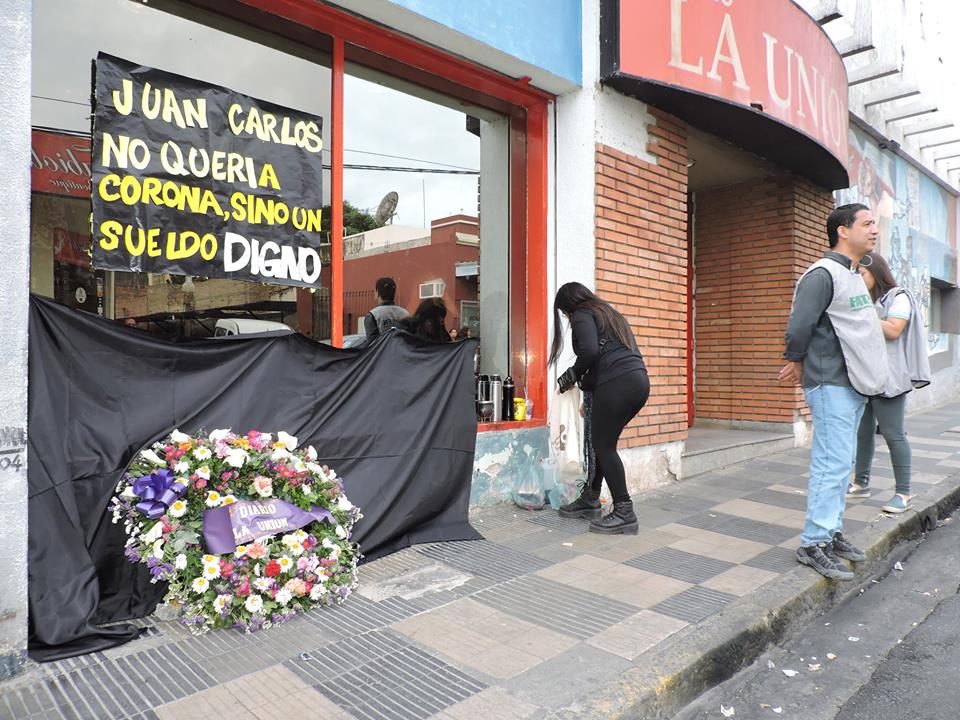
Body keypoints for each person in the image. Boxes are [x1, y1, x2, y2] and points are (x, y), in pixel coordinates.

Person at [780, 203, 888, 581]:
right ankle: (813, 543)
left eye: (875, 223)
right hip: (830, 383)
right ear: (843, 230)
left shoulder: (853, 274)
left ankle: (831, 532)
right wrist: (796, 360)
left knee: (843, 464)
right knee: (832, 463)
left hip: (852, 383)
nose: (874, 230)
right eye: (867, 223)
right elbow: (799, 325)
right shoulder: (822, 274)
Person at [549, 282, 649, 534]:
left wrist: (572, 373)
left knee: (603, 447)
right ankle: (591, 498)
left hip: (617, 384)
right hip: (637, 382)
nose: (567, 318)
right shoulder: (609, 314)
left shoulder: (582, 313)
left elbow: (590, 351)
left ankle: (624, 511)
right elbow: (603, 356)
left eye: (565, 313)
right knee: (605, 445)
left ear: (569, 306)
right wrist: (587, 391)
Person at [848, 251, 931, 513]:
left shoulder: (898, 296)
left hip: (889, 378)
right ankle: (861, 483)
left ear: (876, 272)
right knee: (863, 432)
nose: (858, 279)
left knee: (894, 434)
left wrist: (861, 314)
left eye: (861, 273)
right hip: (864, 376)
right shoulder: (868, 300)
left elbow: (894, 329)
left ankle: (904, 493)